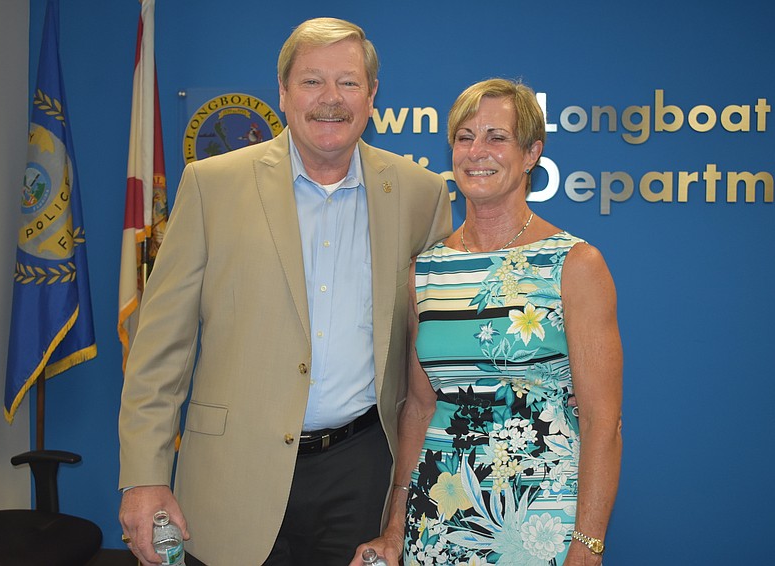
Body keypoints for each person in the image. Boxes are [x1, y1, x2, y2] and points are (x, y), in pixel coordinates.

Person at [118, 17, 452, 566]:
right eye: (312, 81)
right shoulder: (211, 185)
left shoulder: (421, 194)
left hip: (363, 468)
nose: (331, 100)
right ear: (282, 92)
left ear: (372, 96)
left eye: (348, 82)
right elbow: (160, 350)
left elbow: (431, 353)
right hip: (233, 469)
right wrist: (144, 478)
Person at [353, 78, 623, 566]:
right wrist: (396, 526)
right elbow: (418, 409)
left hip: (539, 524)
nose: (477, 151)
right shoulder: (427, 270)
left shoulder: (575, 265)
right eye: (464, 136)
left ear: (531, 153)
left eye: (497, 137)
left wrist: (588, 545)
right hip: (437, 520)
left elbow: (602, 422)